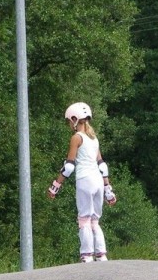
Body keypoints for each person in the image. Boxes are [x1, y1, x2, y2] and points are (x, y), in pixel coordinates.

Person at [47, 102, 117, 262]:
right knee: (95, 219)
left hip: (85, 180)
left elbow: (69, 166)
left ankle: (86, 255)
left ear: (74, 119)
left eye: (69, 121)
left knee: (84, 218)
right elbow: (102, 165)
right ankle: (101, 254)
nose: (68, 124)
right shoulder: (94, 139)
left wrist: (55, 186)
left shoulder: (76, 138)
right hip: (98, 181)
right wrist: (108, 190)